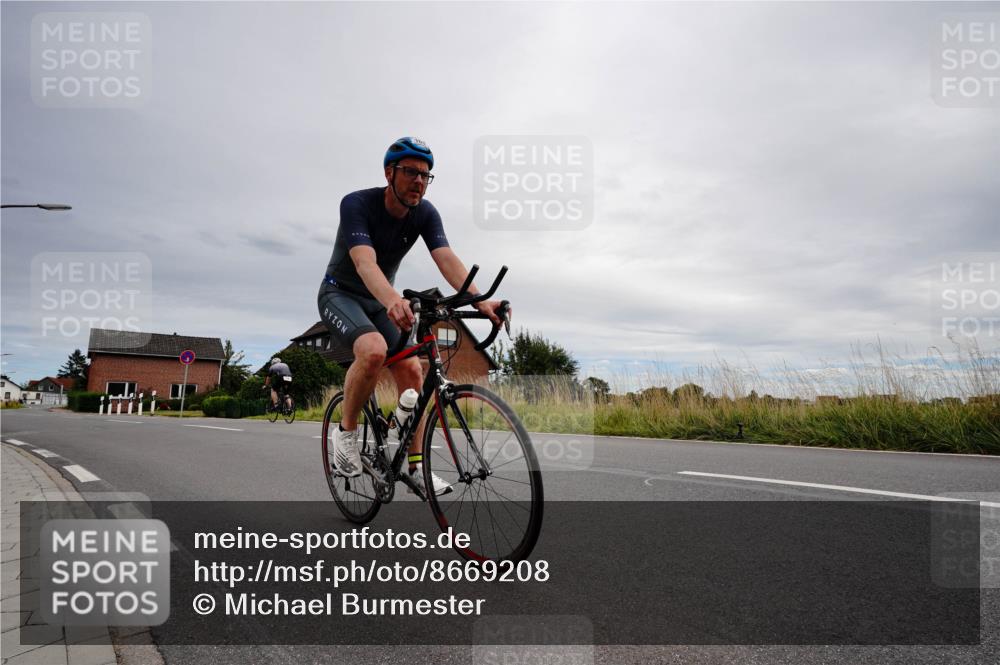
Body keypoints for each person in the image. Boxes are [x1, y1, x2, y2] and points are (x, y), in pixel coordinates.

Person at [317, 137, 504, 496]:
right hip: (340, 293)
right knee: (373, 350)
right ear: (390, 173)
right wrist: (392, 299)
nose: (419, 181)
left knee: (413, 369)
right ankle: (346, 433)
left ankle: (416, 468)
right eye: (411, 173)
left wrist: (481, 301)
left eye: (426, 175)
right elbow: (363, 262)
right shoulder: (357, 204)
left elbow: (446, 258)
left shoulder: (425, 213)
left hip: (379, 298)